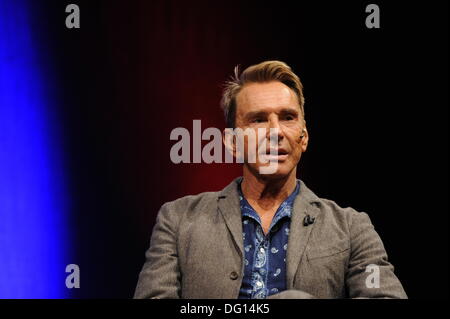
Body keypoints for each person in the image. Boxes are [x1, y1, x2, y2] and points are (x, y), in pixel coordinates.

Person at [134, 61, 407, 299]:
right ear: (232, 143)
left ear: (304, 137)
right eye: (258, 120)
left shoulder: (351, 228)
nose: (275, 131)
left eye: (288, 117)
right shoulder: (179, 220)